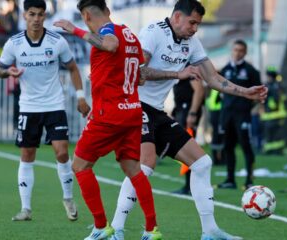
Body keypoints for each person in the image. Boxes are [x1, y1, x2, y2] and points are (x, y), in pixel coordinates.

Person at [109, 1, 267, 240]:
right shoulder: (153, 33)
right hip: (133, 105)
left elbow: (212, 78)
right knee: (146, 164)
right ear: (177, 17)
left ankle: (210, 231)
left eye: (198, 24)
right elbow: (138, 73)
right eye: (192, 22)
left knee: (202, 163)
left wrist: (245, 92)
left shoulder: (191, 43)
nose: (195, 29)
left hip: (156, 111)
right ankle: (116, 230)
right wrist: (177, 73)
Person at [53, 0, 162, 239]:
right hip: (131, 109)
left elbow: (110, 46)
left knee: (80, 165)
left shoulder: (106, 32)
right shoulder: (130, 35)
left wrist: (76, 31)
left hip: (111, 114)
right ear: (108, 11)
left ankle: (101, 227)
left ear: (85, 15)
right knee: (133, 169)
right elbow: (138, 68)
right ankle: (152, 229)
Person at [0, 0, 90, 222]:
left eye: (40, 15)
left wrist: (80, 97)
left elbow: (73, 68)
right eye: (32, 14)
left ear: (45, 16)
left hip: (54, 105)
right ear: (24, 15)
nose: (36, 19)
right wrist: (8, 72)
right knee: (27, 155)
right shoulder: (14, 43)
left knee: (62, 151)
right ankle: (26, 209)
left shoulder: (57, 41)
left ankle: (68, 198)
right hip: (28, 107)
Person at [216, 40, 261, 190]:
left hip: (242, 115)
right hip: (227, 114)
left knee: (246, 146)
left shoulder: (251, 71)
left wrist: (249, 107)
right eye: (235, 50)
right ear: (231, 50)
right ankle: (230, 179)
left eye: (241, 50)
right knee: (228, 146)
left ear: (245, 52)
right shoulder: (225, 69)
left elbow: (258, 94)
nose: (238, 53)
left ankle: (249, 179)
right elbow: (220, 89)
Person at [171, 64, 205, 195]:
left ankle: (192, 185)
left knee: (188, 149)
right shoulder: (178, 68)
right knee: (184, 149)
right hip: (181, 110)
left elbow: (199, 90)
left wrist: (192, 112)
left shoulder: (190, 68)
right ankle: (189, 185)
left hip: (188, 111)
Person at [260, 67, 287, 155]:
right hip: (271, 115)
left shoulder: (274, 87)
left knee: (275, 134)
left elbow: (279, 100)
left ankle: (275, 150)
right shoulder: (276, 86)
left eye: (269, 76)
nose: (268, 77)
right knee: (270, 134)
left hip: (274, 114)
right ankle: (271, 150)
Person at [206, 88, 225, 165]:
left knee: (217, 135)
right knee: (220, 135)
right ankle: (220, 159)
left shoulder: (213, 89)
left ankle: (217, 159)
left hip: (214, 113)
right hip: (218, 113)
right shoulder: (219, 88)